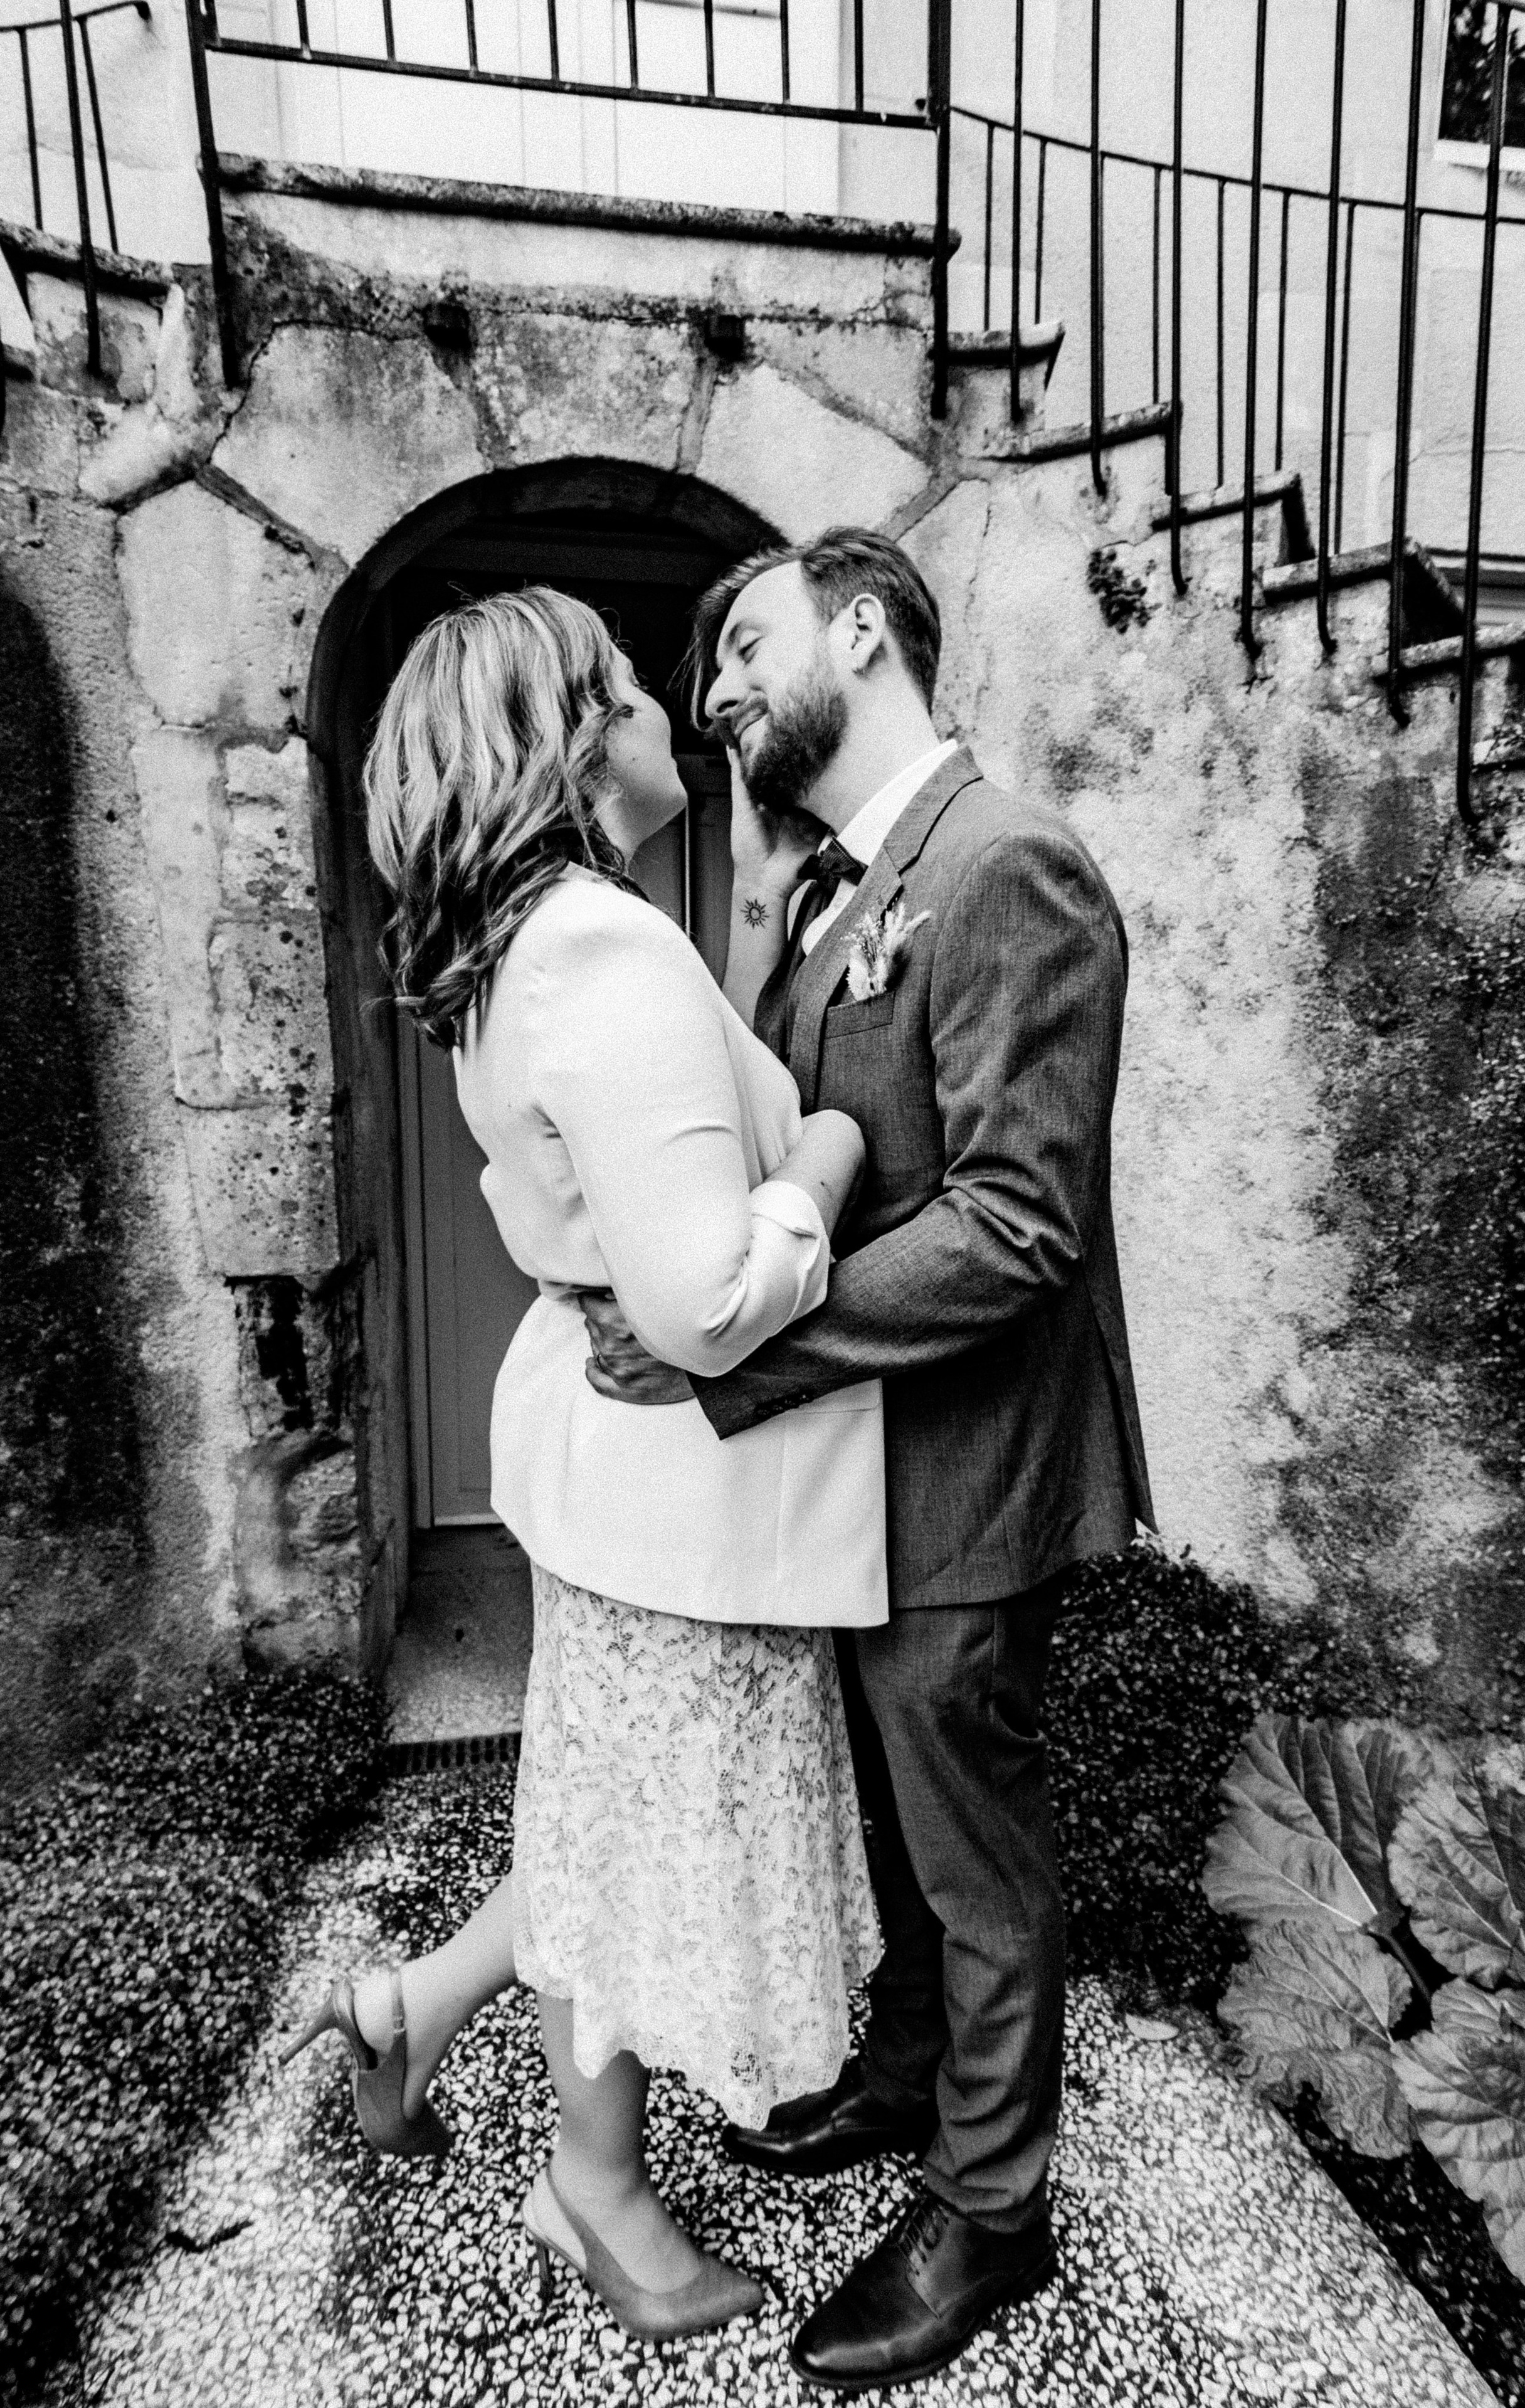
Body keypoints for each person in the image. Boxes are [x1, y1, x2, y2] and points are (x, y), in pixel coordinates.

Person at [583, 527, 1154, 2391]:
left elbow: (1016, 1220)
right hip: (858, 1472)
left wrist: (730, 1348)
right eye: (704, 672)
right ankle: (910, 2077)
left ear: (863, 627)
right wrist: (757, 905)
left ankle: (994, 2207)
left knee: (975, 1849)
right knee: (906, 1818)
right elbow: (784, 1133)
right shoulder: (843, 888)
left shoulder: (1009, 868)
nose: (716, 689)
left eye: (742, 645)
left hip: (971, 1469)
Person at [282, 586, 887, 2343]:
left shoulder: (514, 952)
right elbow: (706, 1300)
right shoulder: (600, 953)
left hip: (609, 1466)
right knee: (636, 1847)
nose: (666, 707)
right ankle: (598, 2197)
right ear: (564, 743)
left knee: (608, 1819)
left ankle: (411, 2012)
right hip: (675, 1482)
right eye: (627, 686)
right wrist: (833, 1157)